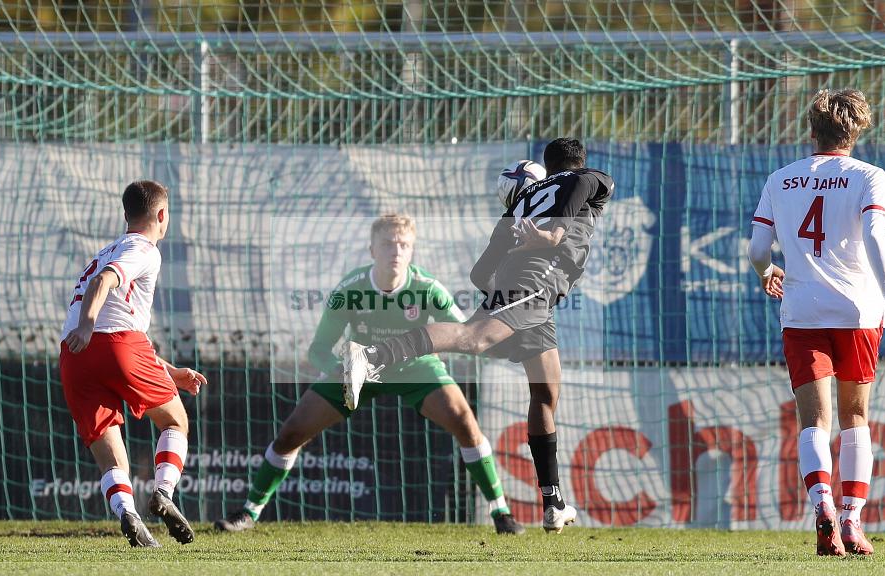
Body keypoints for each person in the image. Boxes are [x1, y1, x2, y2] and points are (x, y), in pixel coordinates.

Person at [343, 139, 613, 533]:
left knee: (546, 393)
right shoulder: (586, 178)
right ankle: (371, 356)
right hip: (537, 281)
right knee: (474, 338)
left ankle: (553, 504)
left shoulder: (518, 207)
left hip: (532, 291)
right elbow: (584, 187)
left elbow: (478, 273)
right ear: (575, 163)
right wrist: (552, 237)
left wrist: (503, 282)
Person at [215, 214, 524, 534]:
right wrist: (341, 371)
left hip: (415, 367)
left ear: (412, 251)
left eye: (404, 245)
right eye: (388, 244)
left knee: (465, 422)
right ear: (372, 250)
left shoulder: (428, 289)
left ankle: (501, 514)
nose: (397, 251)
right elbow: (318, 349)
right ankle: (249, 513)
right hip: (358, 367)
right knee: (291, 432)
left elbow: (461, 332)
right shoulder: (351, 289)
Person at [748, 89, 885, 556]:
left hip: (803, 310)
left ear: (812, 130)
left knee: (814, 420)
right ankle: (851, 521)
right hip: (859, 311)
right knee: (855, 418)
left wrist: (767, 272)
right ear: (857, 129)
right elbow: (873, 235)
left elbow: (755, 250)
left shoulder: (781, 179)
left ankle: (822, 506)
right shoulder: (869, 176)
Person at [59, 180, 207, 548]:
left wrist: (170, 372)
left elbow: (118, 318)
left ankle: (127, 512)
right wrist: (89, 326)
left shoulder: (106, 249)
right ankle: (164, 493)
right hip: (109, 342)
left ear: (126, 215)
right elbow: (103, 284)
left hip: (74, 356)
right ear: (161, 215)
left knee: (110, 454)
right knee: (175, 421)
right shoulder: (144, 248)